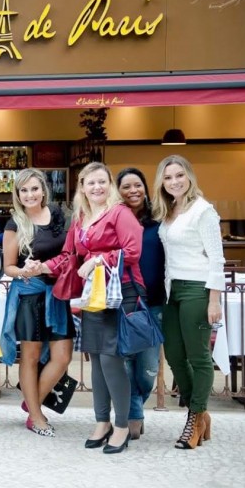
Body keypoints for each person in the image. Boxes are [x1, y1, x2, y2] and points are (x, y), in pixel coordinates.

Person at [38, 162, 144, 454]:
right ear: (82, 187)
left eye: (102, 181)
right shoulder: (82, 216)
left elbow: (133, 251)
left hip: (118, 293)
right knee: (95, 359)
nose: (97, 187)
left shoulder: (120, 213)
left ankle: (121, 425)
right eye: (90, 183)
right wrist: (42, 267)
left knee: (111, 359)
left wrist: (99, 260)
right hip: (93, 295)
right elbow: (69, 255)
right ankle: (101, 421)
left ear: (109, 183)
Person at [153, 155, 224, 450]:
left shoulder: (203, 211)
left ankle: (194, 419)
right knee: (173, 355)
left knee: (198, 357)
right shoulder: (168, 211)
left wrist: (214, 300)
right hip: (172, 290)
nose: (174, 182)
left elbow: (217, 257)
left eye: (179, 175)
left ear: (189, 176)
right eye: (168, 177)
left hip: (197, 288)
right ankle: (201, 412)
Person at [1, 169, 74, 437]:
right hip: (29, 293)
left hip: (57, 292)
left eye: (34, 189)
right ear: (17, 195)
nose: (29, 195)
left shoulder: (58, 216)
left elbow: (69, 252)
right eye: (23, 191)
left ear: (43, 190)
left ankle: (32, 401)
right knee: (30, 358)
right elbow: (8, 267)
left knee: (63, 356)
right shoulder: (14, 223)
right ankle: (36, 415)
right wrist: (24, 270)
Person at [117, 167, 165, 440]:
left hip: (154, 303)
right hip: (123, 302)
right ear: (118, 191)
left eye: (138, 185)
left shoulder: (158, 221)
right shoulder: (114, 221)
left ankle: (133, 407)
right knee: (123, 363)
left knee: (148, 368)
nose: (133, 190)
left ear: (145, 188)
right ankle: (131, 414)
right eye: (126, 186)